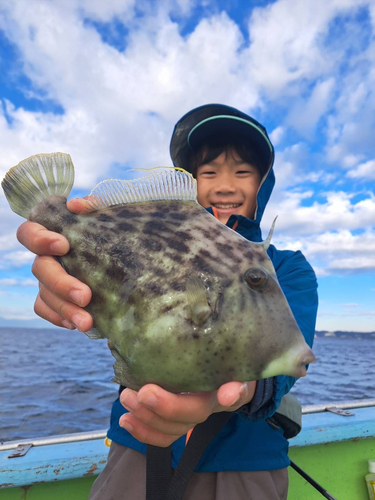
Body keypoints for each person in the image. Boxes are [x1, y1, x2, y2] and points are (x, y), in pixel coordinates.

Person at [17, 104, 318, 500]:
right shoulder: (155, 235)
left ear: (264, 184)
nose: (226, 185)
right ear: (190, 183)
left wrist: (250, 389)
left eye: (243, 172)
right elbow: (125, 311)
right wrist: (69, 287)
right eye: (209, 173)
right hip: (137, 442)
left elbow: (282, 365)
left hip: (245, 463)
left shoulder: (286, 267)